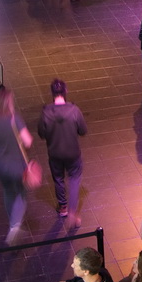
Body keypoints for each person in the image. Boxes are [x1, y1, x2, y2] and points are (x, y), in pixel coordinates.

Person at [0, 86, 35, 243]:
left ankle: (12, 223)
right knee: (21, 193)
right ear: (9, 103)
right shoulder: (14, 119)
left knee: (8, 191)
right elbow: (28, 141)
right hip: (16, 165)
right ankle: (15, 226)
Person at [38, 78, 87, 221]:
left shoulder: (46, 113)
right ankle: (73, 210)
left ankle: (63, 207)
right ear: (65, 91)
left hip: (55, 153)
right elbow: (83, 131)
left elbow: (41, 133)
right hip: (73, 153)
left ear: (52, 93)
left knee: (58, 179)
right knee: (74, 179)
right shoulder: (74, 110)